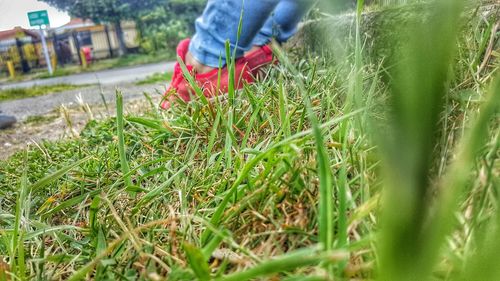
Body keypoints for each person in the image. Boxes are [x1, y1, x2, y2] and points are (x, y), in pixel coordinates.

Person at [162, 0, 314, 109]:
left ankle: (206, 63)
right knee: (263, 36)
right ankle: (261, 48)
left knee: (212, 51)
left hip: (213, 71)